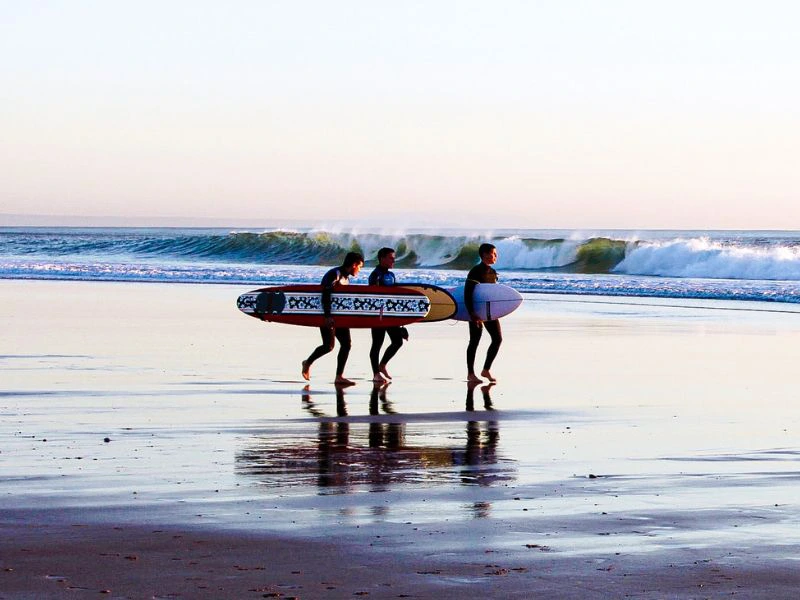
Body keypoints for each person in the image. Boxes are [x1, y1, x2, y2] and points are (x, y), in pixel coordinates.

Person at [301, 251, 364, 385]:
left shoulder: (346, 278)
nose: (359, 270)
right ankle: (307, 362)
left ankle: (339, 376)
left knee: (346, 344)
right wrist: (327, 315)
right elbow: (325, 294)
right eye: (359, 266)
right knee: (328, 346)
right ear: (353, 265)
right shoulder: (334, 274)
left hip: (340, 317)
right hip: (326, 314)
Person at [368, 247, 408, 383]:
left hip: (390, 315)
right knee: (377, 344)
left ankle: (382, 364)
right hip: (378, 316)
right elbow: (374, 297)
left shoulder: (391, 275)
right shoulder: (375, 275)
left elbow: (395, 298)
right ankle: (375, 373)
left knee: (398, 341)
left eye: (393, 257)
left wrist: (401, 323)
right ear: (382, 258)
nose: (393, 260)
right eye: (391, 258)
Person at [465, 243, 503, 383]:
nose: (495, 256)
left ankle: (486, 370)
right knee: (474, 341)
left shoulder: (493, 272)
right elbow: (468, 293)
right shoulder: (476, 271)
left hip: (490, 312)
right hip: (476, 312)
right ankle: (470, 374)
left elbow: (492, 294)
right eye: (493, 253)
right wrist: (472, 313)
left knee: (497, 339)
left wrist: (498, 311)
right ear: (485, 255)